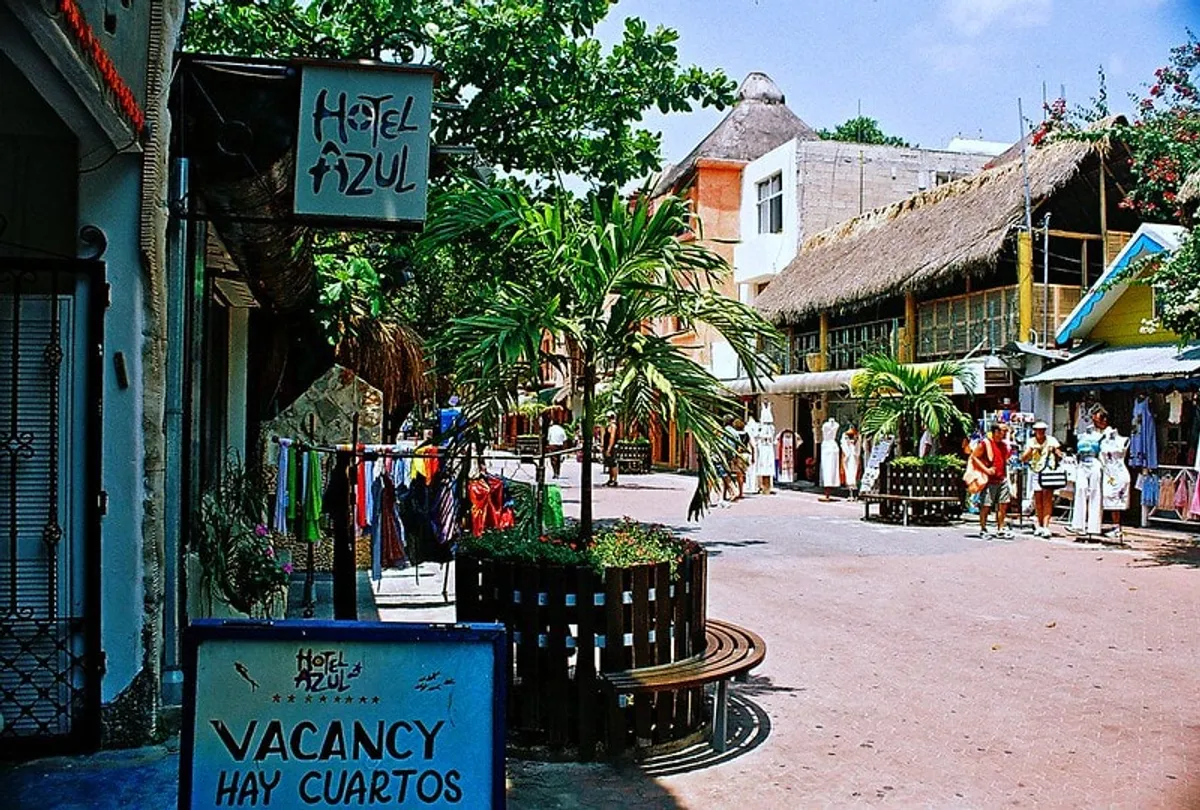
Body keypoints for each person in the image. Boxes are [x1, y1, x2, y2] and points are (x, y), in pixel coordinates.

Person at [1021, 420, 1063, 538]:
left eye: (1042, 430)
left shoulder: (1052, 441)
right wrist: (1031, 450)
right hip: (1036, 472)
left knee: (1048, 499)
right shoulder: (1031, 442)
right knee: (1038, 499)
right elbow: (1023, 458)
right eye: (1038, 430)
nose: (1040, 432)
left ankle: (1046, 526)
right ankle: (1039, 525)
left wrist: (1055, 451)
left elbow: (1060, 455)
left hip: (1048, 471)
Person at [972, 422, 1012, 538]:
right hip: (989, 480)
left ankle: (1000, 528)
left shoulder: (1004, 446)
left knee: (1003, 504)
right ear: (995, 432)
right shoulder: (986, 443)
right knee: (986, 505)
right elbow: (974, 457)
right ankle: (983, 529)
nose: (1005, 434)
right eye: (1003, 431)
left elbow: (1004, 461)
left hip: (1002, 478)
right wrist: (986, 470)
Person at [1097, 409, 1131, 540]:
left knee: (1115, 500)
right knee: (1106, 498)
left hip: (1118, 473)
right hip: (1107, 473)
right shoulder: (1102, 439)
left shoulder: (1122, 440)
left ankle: (1117, 527)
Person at [602, 412, 619, 487]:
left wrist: (609, 448)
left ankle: (614, 480)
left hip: (611, 448)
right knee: (609, 464)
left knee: (613, 464)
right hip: (607, 447)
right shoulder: (608, 426)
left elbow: (612, 438)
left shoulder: (613, 426)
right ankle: (610, 479)